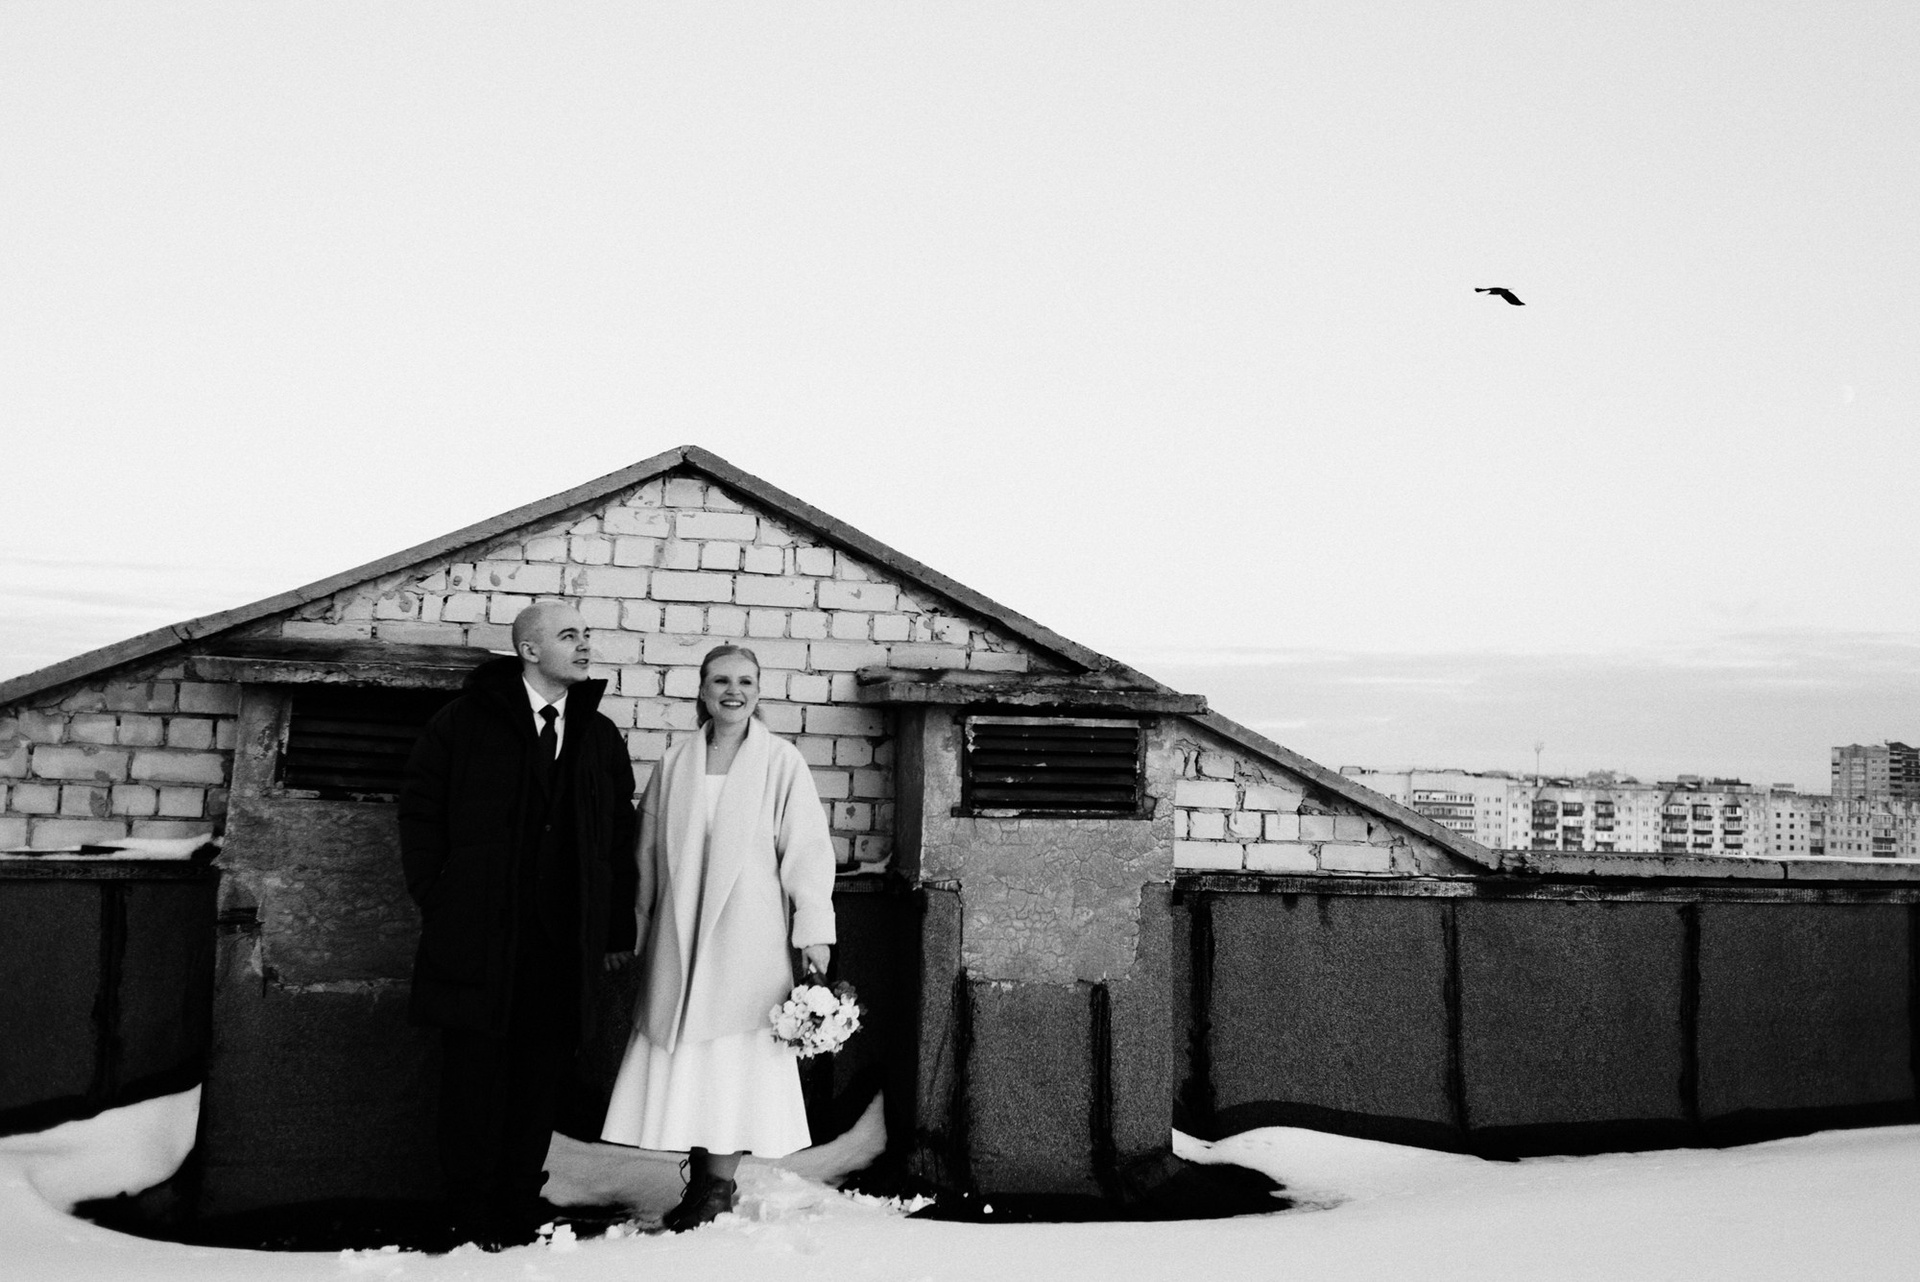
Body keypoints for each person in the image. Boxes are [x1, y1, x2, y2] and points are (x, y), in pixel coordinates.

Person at [397, 600, 638, 1244]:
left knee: (539, 1080)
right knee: (473, 1077)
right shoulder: (462, 724)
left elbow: (619, 839)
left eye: (586, 634)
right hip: (477, 938)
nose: (584, 646)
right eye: (569, 635)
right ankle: (467, 1208)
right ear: (530, 650)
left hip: (562, 947)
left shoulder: (598, 734)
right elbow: (420, 813)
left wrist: (615, 929)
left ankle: (517, 1203)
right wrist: (441, 896)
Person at [600, 643, 838, 1230]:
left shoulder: (780, 761)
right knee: (690, 1053)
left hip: (748, 934)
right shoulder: (675, 762)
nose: (734, 691)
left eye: (746, 681)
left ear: (759, 692)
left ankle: (717, 1188)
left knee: (733, 1054)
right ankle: (701, 1180)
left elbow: (807, 848)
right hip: (680, 930)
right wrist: (634, 925)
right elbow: (645, 853)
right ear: (702, 691)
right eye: (722, 681)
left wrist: (813, 929)